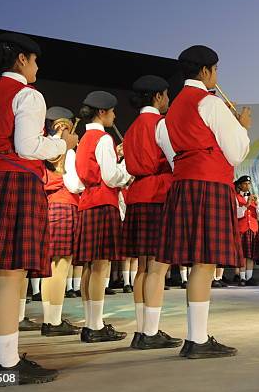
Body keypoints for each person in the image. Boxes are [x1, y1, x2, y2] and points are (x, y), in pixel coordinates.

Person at [0, 33, 78, 383]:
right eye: (35, 60)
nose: (37, 67)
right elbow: (27, 146)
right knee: (11, 275)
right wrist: (62, 142)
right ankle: (6, 366)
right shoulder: (27, 94)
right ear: (23, 59)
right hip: (14, 182)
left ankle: (0, 359)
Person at [156, 45, 251, 358]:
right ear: (208, 71)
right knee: (205, 262)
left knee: (199, 263)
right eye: (216, 70)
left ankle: (196, 338)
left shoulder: (172, 111)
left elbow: (173, 155)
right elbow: (237, 152)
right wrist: (242, 126)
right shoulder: (210, 103)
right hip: (210, 184)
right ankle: (196, 340)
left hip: (184, 183)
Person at [121, 75, 182, 350]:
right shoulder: (160, 124)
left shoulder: (133, 126)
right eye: (166, 95)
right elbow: (174, 159)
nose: (168, 100)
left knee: (143, 268)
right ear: (157, 96)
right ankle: (151, 332)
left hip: (137, 195)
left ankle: (142, 329)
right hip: (158, 194)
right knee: (158, 267)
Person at [74, 91, 130, 343]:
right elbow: (110, 176)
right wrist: (127, 165)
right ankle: (95, 327)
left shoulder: (85, 138)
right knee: (100, 266)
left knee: (89, 266)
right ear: (102, 112)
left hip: (87, 203)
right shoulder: (103, 139)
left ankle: (90, 323)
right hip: (103, 203)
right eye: (112, 111)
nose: (114, 115)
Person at [40, 106, 82, 336]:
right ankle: (53, 322)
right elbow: (75, 184)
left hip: (47, 205)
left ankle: (50, 319)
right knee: (60, 266)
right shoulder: (67, 150)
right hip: (65, 205)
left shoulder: (43, 147)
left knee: (51, 265)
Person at [235, 175, 259, 286]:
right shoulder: (236, 197)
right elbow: (236, 214)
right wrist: (246, 205)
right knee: (242, 255)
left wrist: (257, 203)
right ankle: (242, 278)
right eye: (245, 184)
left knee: (251, 255)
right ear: (240, 185)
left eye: (249, 184)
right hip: (241, 230)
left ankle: (249, 277)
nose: (247, 186)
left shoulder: (255, 197)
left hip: (253, 229)